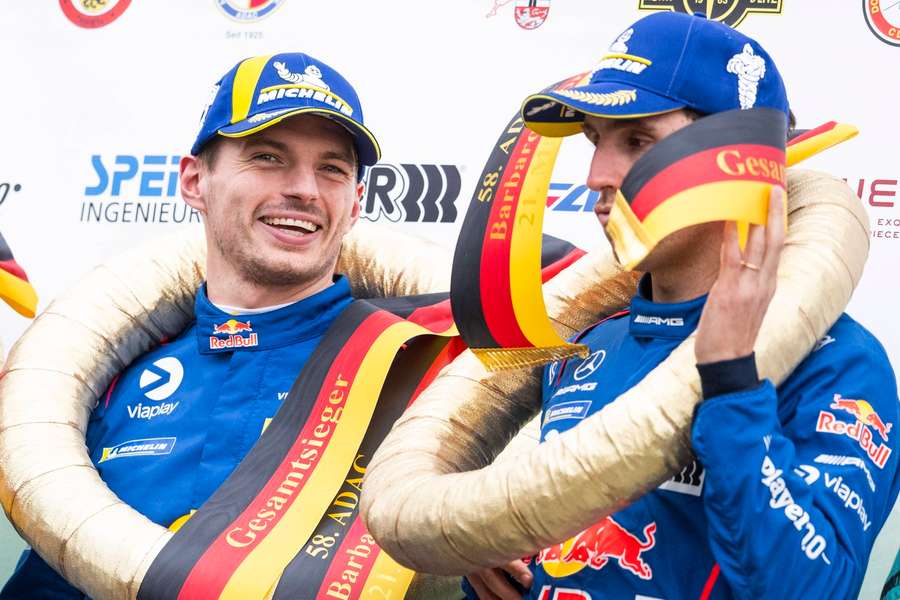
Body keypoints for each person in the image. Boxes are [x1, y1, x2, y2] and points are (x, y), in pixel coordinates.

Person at [465, 11, 900, 600]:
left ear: (737, 157)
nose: (596, 175)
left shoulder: (840, 361)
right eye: (596, 141)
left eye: (637, 141)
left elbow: (809, 587)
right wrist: (495, 561)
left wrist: (731, 381)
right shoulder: (589, 343)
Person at [1, 51, 380, 598]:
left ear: (355, 202)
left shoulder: (410, 363)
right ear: (194, 181)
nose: (305, 188)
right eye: (269, 157)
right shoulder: (104, 386)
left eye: (332, 168)